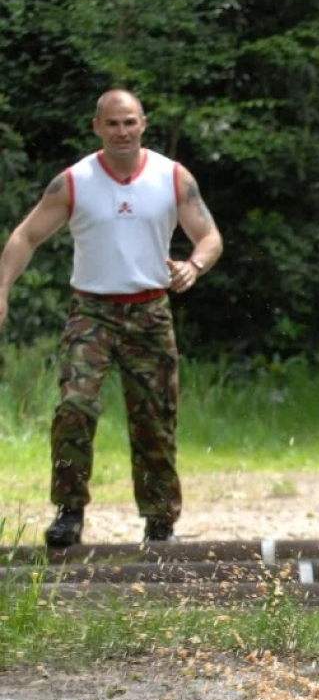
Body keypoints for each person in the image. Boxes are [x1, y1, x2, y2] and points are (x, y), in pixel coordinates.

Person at [0, 88, 223, 546]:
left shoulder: (172, 177)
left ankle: (160, 522)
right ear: (97, 127)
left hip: (150, 311)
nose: (122, 131)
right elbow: (25, 236)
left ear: (143, 123)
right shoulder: (74, 181)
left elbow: (209, 235)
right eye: (112, 123)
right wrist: (2, 288)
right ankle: (68, 512)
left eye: (129, 122)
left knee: (155, 419)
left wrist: (193, 266)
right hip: (92, 311)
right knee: (74, 406)